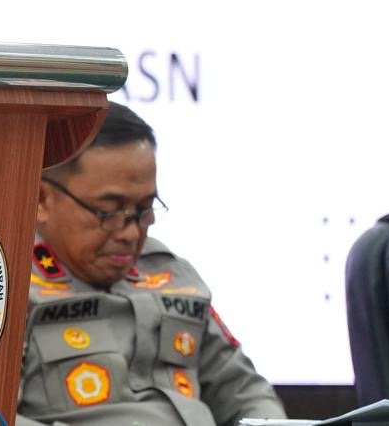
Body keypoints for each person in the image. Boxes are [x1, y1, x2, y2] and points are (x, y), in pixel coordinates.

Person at [17, 102, 285, 426]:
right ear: (41, 199)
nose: (131, 233)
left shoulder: (169, 273)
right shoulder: (8, 290)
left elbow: (246, 393)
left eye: (145, 208)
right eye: (109, 212)